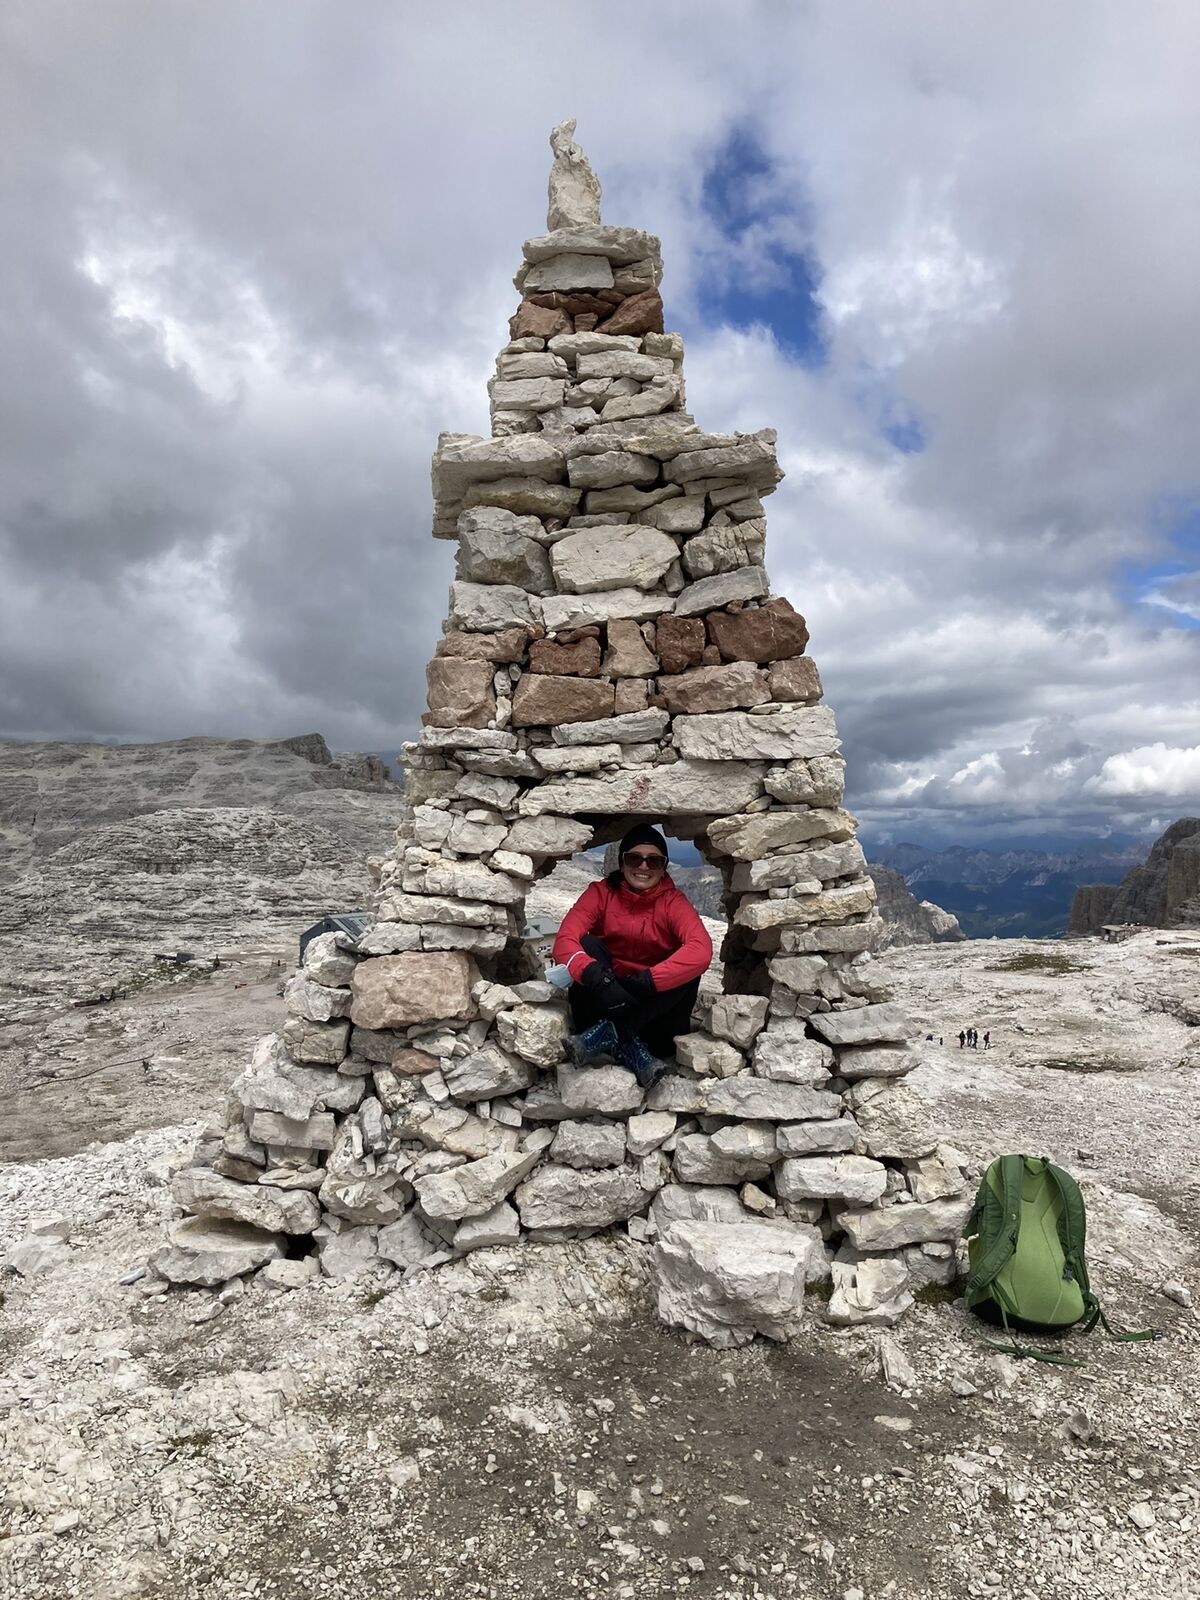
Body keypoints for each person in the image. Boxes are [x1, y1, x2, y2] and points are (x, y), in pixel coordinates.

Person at [553, 823, 713, 1087]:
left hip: (650, 1025)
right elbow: (565, 940)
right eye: (634, 858)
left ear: (663, 867)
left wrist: (645, 983)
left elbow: (701, 951)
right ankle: (629, 1046)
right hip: (601, 1006)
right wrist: (598, 978)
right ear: (622, 861)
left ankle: (612, 1035)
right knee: (588, 944)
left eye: (654, 861)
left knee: (687, 964)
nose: (643, 866)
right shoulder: (601, 894)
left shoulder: (673, 902)